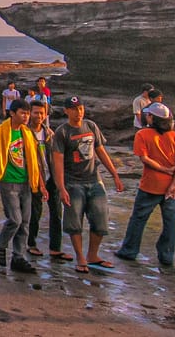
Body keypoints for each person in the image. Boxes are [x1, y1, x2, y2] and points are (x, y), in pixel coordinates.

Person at [50, 95, 125, 274]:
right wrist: (61, 187)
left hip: (94, 179)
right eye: (74, 109)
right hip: (72, 182)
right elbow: (57, 163)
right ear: (66, 111)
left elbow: (101, 151)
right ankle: (80, 257)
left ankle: (93, 255)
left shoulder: (91, 126)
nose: (79, 112)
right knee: (74, 222)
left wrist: (115, 174)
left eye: (81, 108)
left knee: (100, 219)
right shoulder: (62, 132)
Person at [115, 102, 175, 267]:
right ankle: (167, 256)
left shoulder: (143, 134)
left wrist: (163, 169)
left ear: (151, 118)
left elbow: (144, 158)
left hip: (150, 185)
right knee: (170, 223)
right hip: (173, 188)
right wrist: (174, 183)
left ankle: (129, 251)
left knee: (139, 219)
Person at [0, 99, 47, 272]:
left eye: (27, 113)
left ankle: (18, 257)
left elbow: (34, 161)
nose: (26, 116)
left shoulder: (27, 134)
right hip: (8, 182)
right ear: (12, 113)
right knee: (15, 219)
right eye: (22, 113)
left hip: (26, 183)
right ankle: (0, 245)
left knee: (25, 222)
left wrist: (41, 184)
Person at [25, 99, 70, 261]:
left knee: (57, 213)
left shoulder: (50, 134)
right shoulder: (24, 134)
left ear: (46, 115)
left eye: (41, 113)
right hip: (34, 179)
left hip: (52, 178)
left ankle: (55, 248)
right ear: (30, 114)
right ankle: (31, 244)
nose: (39, 116)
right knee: (35, 213)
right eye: (35, 112)